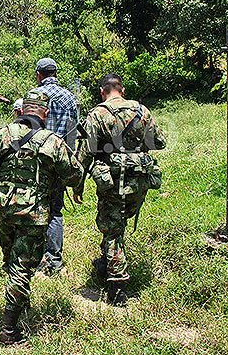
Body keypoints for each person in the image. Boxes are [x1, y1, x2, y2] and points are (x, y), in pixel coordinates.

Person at [0, 91, 84, 346]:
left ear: (20, 112)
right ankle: (8, 330)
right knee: (21, 267)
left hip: (3, 213)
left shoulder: (1, 135)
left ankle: (20, 301)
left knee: (11, 260)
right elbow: (74, 174)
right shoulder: (52, 141)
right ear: (46, 114)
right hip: (33, 215)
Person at [77, 73, 166, 306]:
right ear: (122, 90)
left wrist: (76, 183)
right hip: (139, 181)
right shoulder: (142, 111)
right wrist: (134, 146)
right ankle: (107, 263)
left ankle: (117, 288)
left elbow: (86, 152)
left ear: (102, 91)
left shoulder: (98, 114)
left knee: (113, 229)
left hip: (113, 181)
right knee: (117, 224)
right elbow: (159, 142)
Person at [32, 57, 79, 275]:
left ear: (39, 75)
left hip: (37, 161)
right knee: (55, 210)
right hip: (61, 160)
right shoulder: (71, 98)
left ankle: (35, 256)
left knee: (34, 208)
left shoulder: (34, 96)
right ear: (56, 74)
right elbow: (73, 134)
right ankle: (54, 260)